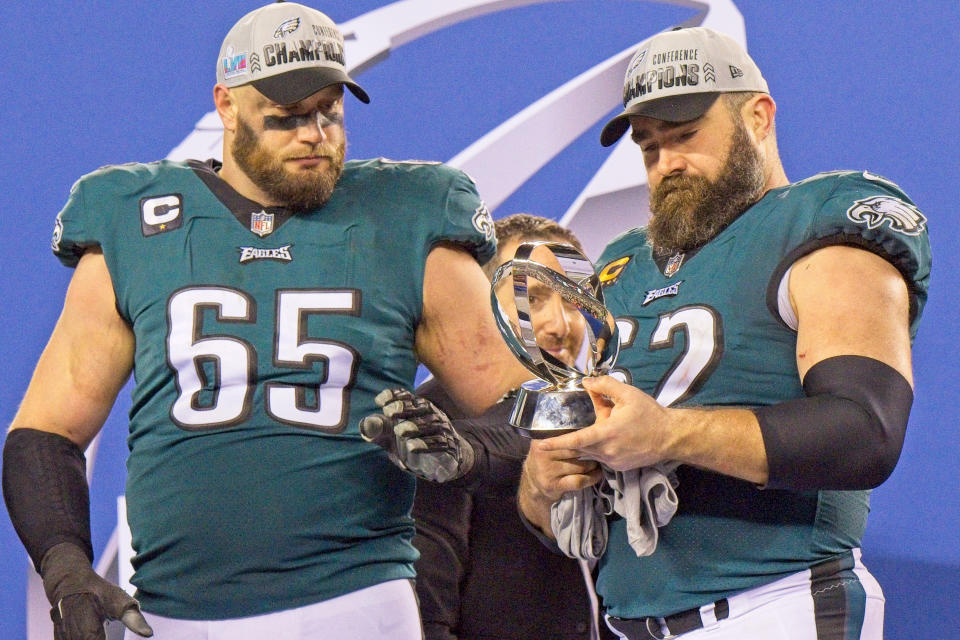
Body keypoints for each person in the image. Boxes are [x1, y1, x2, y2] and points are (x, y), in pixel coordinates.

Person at [1, 3, 528, 640]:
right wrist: (64, 567)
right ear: (225, 105)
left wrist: (468, 455)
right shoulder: (135, 220)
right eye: (285, 116)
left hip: (360, 599)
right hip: (174, 612)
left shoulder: (410, 214)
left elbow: (522, 403)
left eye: (329, 111)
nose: (313, 134)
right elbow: (46, 431)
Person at [515, 26, 931, 639]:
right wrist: (540, 484)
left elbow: (866, 430)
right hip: (633, 620)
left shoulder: (817, 223)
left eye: (685, 136)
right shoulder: (621, 267)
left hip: (771, 604)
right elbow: (573, 517)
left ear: (758, 116)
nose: (667, 163)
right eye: (650, 148)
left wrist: (669, 434)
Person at [409, 214, 616, 640]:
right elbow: (427, 605)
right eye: (533, 299)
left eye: (574, 301)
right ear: (481, 309)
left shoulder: (609, 413)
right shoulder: (436, 422)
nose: (561, 325)